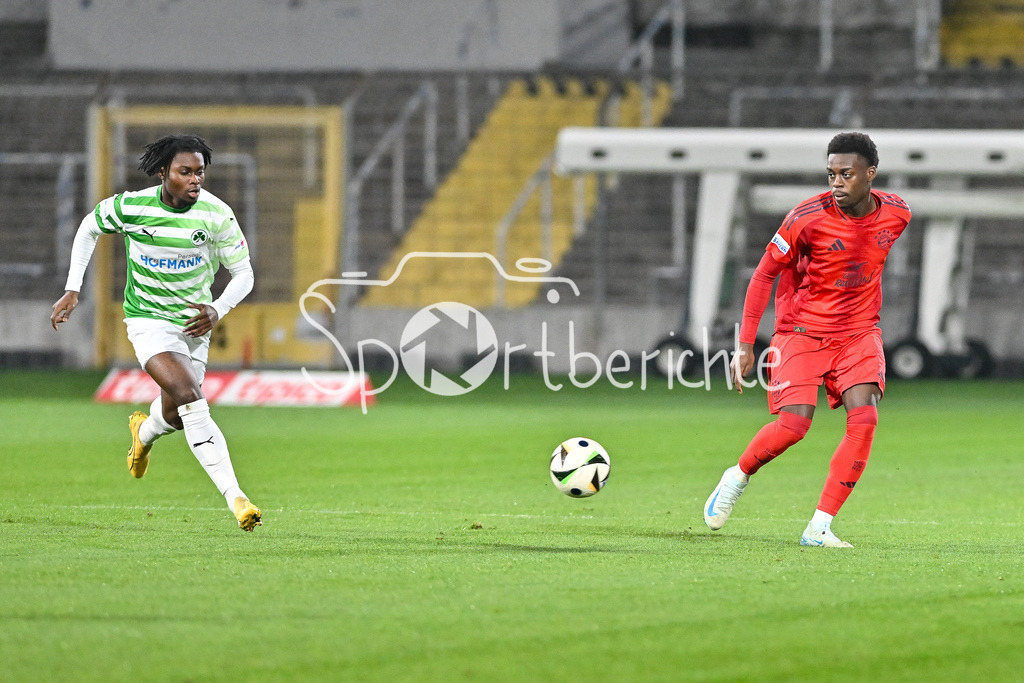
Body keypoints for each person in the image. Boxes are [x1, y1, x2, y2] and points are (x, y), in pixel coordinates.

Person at [703, 132, 910, 547]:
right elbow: (763, 274)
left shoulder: (898, 214)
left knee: (865, 419)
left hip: (859, 333)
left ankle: (819, 527)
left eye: (846, 174)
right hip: (801, 332)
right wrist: (745, 343)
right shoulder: (805, 218)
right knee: (794, 425)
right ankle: (737, 475)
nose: (836, 182)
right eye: (831, 173)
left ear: (870, 174)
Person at [51, 134, 262, 532]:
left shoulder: (216, 216)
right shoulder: (133, 206)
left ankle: (143, 432)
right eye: (186, 172)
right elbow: (88, 227)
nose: (195, 179)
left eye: (200, 172)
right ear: (164, 172)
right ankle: (236, 497)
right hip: (148, 320)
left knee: (178, 414)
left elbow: (244, 274)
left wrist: (217, 308)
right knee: (188, 394)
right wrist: (73, 287)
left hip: (194, 324)